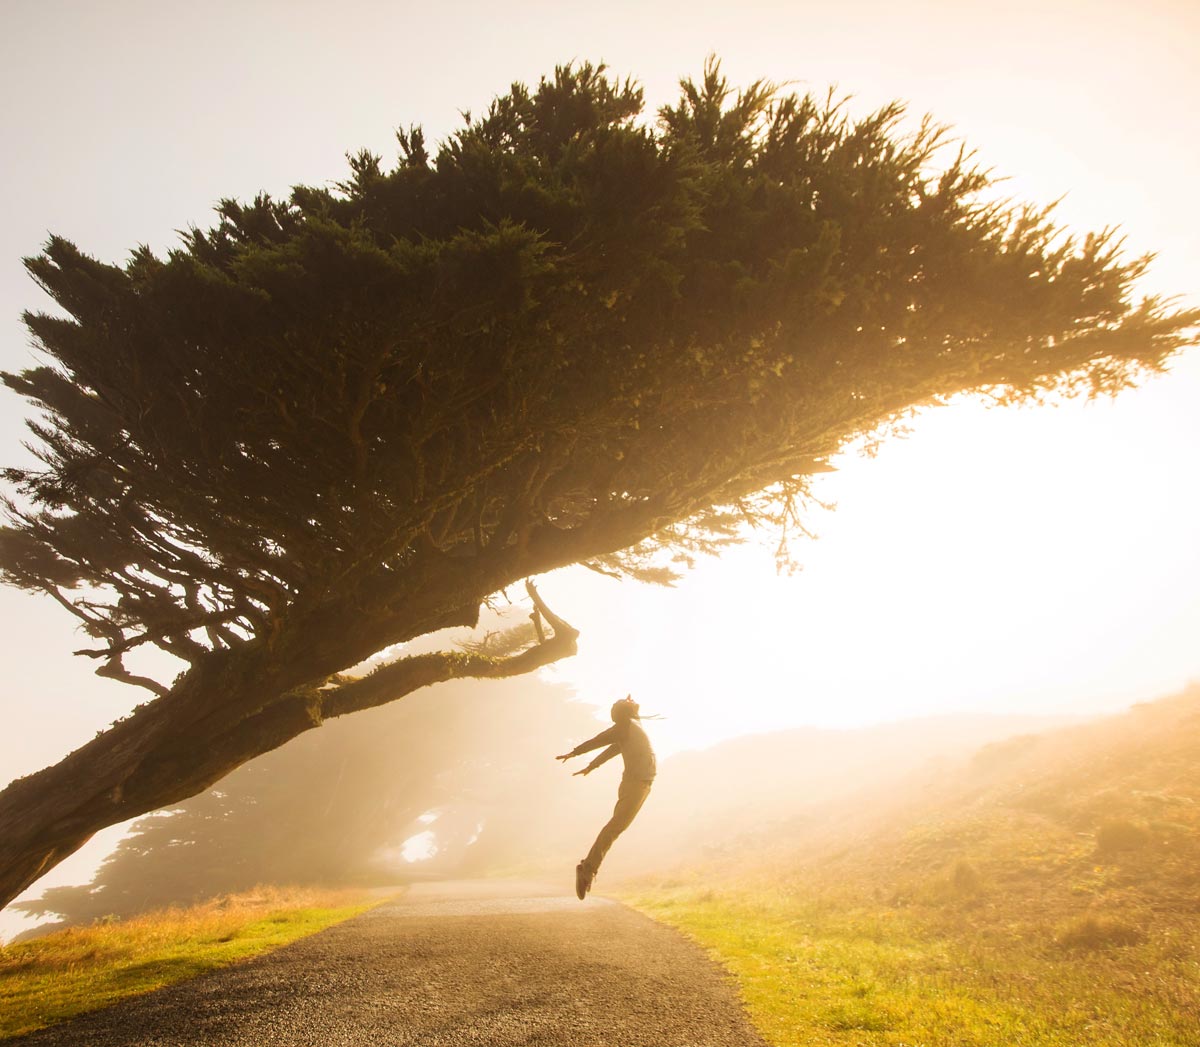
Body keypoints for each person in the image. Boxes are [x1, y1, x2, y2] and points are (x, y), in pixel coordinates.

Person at [556, 694, 656, 900]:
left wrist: (591, 766)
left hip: (642, 784)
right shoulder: (625, 726)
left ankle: (588, 867)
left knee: (616, 827)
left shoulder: (632, 726)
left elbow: (612, 749)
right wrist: (575, 753)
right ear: (625, 712)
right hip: (636, 784)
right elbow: (599, 741)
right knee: (615, 827)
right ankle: (587, 868)